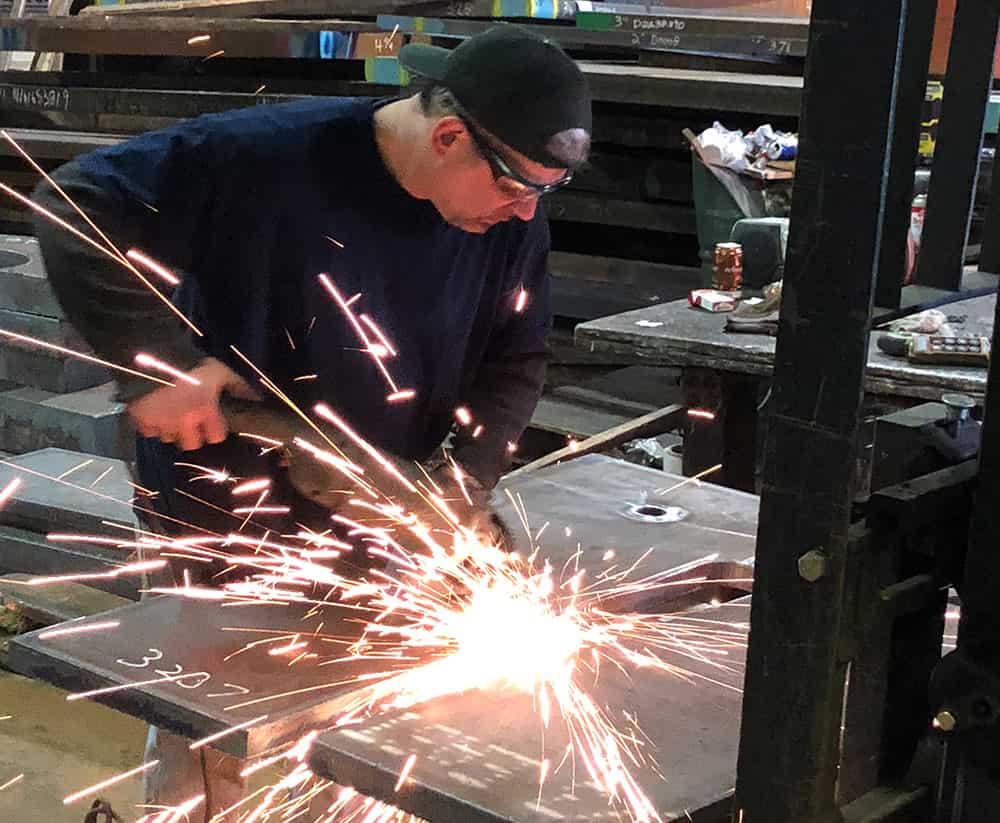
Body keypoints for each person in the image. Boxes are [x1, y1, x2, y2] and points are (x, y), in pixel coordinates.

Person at [32, 24, 592, 818]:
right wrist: (157, 361)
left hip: (381, 510)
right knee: (211, 732)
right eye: (514, 187)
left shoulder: (512, 219)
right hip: (226, 507)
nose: (526, 212)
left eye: (545, 192)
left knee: (364, 742)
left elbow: (517, 358)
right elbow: (72, 202)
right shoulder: (262, 157)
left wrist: (460, 485)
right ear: (448, 136)